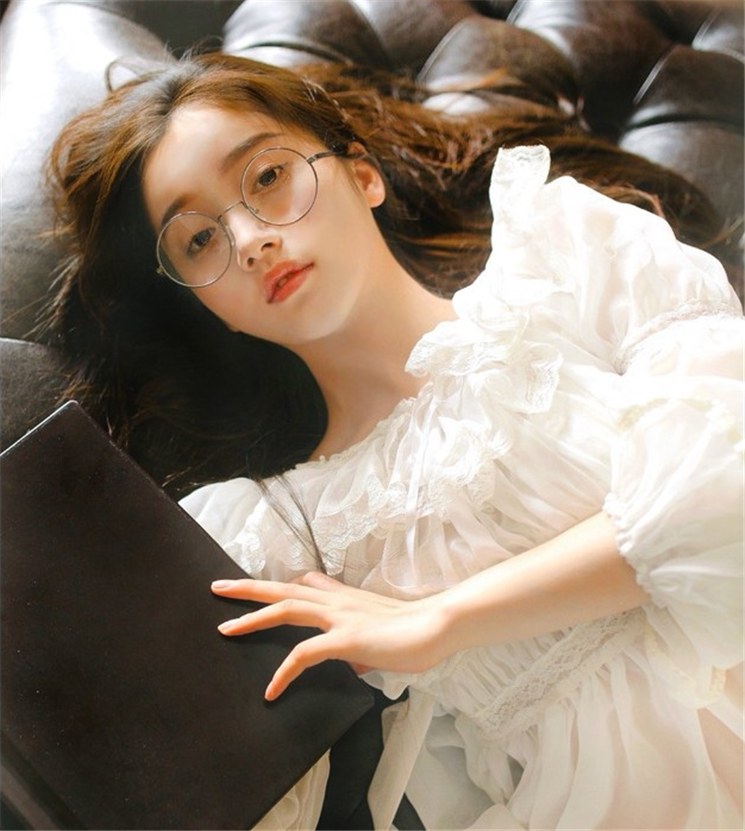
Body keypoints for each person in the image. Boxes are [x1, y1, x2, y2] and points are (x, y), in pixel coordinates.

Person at [44, 51, 743, 829]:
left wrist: (438, 619)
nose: (247, 239)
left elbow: (720, 492)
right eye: (198, 241)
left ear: (362, 173)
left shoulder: (568, 257)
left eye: (267, 177)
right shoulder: (281, 534)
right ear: (207, 306)